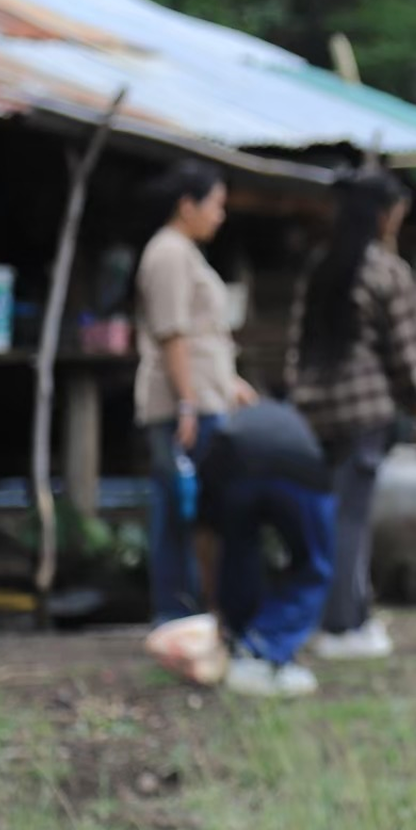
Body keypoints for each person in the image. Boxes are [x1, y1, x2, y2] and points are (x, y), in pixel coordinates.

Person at [287, 168, 416, 663]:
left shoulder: (320, 265)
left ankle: (330, 616)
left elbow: (296, 344)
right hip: (364, 412)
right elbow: (404, 353)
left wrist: (299, 397)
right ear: (381, 215)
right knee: (352, 518)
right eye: (396, 212)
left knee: (323, 515)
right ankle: (344, 625)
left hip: (314, 412)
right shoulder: (384, 270)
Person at [135, 162, 257, 624]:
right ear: (187, 205)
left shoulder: (183, 252)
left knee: (200, 508)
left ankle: (194, 610)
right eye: (216, 205)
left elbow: (202, 336)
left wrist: (231, 385)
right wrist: (187, 401)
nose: (220, 216)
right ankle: (176, 611)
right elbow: (172, 335)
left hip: (205, 398)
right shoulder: (167, 254)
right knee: (180, 510)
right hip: (180, 407)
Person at [193, 400, 336, 699]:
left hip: (235, 467)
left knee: (237, 551)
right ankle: (262, 648)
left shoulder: (228, 429)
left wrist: (213, 605)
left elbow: (206, 538)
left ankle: (239, 638)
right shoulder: (284, 414)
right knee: (314, 565)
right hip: (300, 471)